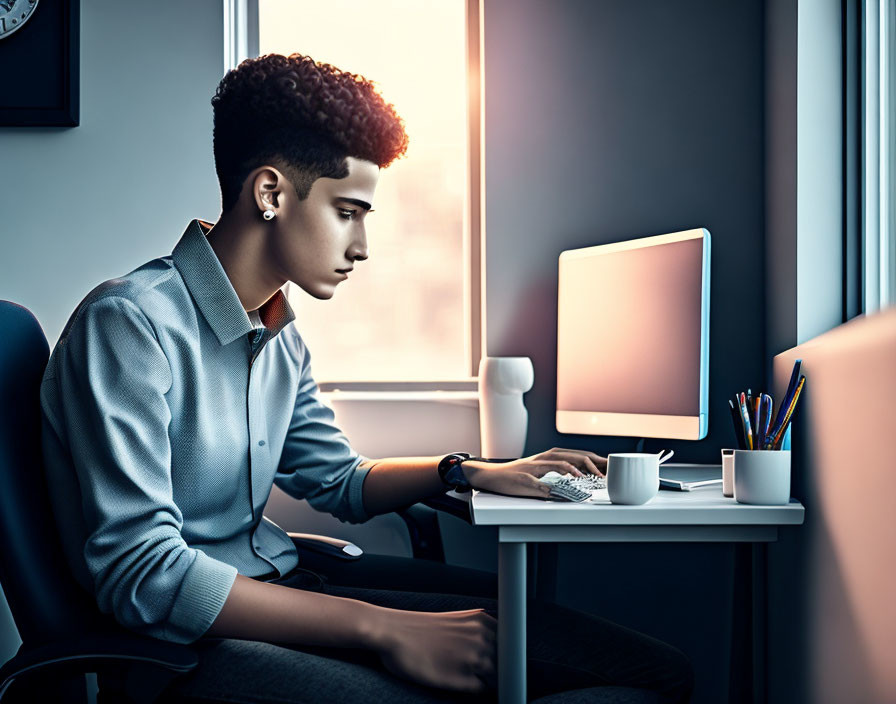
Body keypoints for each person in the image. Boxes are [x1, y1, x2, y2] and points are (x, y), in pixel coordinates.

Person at [39, 53, 693, 703]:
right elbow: (146, 575)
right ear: (270, 194)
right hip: (188, 651)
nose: (361, 246)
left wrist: (464, 471)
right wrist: (384, 629)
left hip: (281, 596)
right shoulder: (128, 325)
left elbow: (336, 480)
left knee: (651, 672)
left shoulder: (276, 331)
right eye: (348, 212)